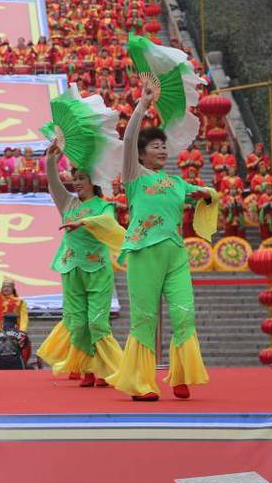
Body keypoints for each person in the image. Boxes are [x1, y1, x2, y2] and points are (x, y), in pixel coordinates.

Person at [110, 76, 220, 401]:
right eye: (154, 146)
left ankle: (181, 375)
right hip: (144, 251)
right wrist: (142, 106)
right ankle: (141, 382)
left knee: (184, 312)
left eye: (163, 146)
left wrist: (206, 194)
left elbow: (205, 196)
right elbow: (129, 139)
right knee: (145, 318)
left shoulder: (176, 183)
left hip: (175, 254)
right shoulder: (134, 177)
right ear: (142, 155)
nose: (161, 149)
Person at [40, 143, 124, 387]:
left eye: (82, 178)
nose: (76, 182)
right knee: (78, 324)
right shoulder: (68, 204)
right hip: (70, 269)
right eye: (75, 178)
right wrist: (51, 159)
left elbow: (107, 222)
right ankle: (88, 368)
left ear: (93, 180)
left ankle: (113, 370)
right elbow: (53, 183)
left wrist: (85, 223)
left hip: (97, 271)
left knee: (97, 322)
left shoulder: (103, 205)